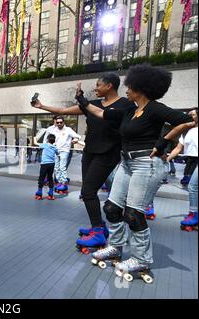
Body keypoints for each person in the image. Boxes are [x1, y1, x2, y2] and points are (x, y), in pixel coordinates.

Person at [76, 64, 193, 283]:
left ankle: (142, 259)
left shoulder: (156, 109)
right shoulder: (129, 110)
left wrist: (164, 141)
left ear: (140, 88)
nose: (126, 90)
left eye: (129, 87)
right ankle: (115, 247)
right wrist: (82, 100)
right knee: (111, 208)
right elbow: (101, 113)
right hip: (127, 163)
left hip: (146, 164)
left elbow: (186, 121)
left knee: (133, 214)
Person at [32, 73, 135, 251]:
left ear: (109, 85)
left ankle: (97, 231)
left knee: (88, 192)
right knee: (89, 192)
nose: (95, 88)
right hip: (90, 152)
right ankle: (99, 227)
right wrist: (41, 106)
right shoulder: (93, 104)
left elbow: (109, 116)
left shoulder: (125, 105)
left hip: (108, 154)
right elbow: (63, 111)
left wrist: (84, 101)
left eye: (98, 85)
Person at [167, 108, 198, 231]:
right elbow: (178, 149)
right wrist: (167, 159)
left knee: (193, 187)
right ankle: (194, 213)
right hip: (192, 160)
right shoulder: (185, 132)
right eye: (188, 114)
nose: (189, 116)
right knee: (194, 187)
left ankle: (194, 214)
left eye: (192, 114)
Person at [50, 116, 81, 194]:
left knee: (62, 167)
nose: (59, 124)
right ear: (56, 123)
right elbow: (51, 139)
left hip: (64, 151)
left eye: (61, 122)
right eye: (58, 123)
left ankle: (64, 183)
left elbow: (78, 136)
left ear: (64, 122)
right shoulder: (54, 130)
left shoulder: (68, 130)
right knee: (56, 168)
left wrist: (76, 139)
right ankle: (60, 182)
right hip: (56, 151)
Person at [34, 134, 58, 200]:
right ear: (54, 140)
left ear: (47, 139)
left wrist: (35, 137)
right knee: (50, 178)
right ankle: (50, 194)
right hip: (52, 164)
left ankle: (39, 193)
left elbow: (35, 143)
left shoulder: (45, 145)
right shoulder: (55, 147)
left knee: (41, 178)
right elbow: (57, 153)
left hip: (44, 164)